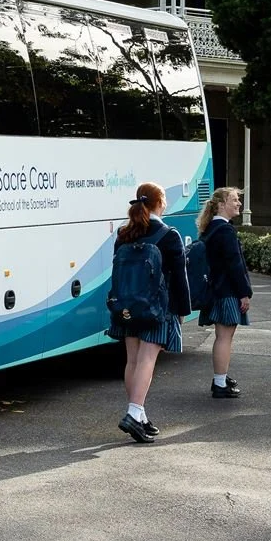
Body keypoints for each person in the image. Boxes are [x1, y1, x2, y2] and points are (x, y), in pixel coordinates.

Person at [109, 181, 190, 443]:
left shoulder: (124, 234)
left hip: (127, 307)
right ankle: (133, 412)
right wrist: (182, 310)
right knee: (147, 360)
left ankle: (139, 413)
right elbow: (179, 278)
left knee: (133, 360)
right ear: (160, 203)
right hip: (157, 307)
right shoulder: (169, 234)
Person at [196, 186, 252, 398]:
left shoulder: (211, 228)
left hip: (215, 290)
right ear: (221, 205)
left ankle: (221, 377)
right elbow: (234, 265)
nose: (238, 203)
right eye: (235, 200)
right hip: (227, 291)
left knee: (222, 336)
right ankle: (219, 383)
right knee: (224, 337)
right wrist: (244, 293)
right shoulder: (225, 230)